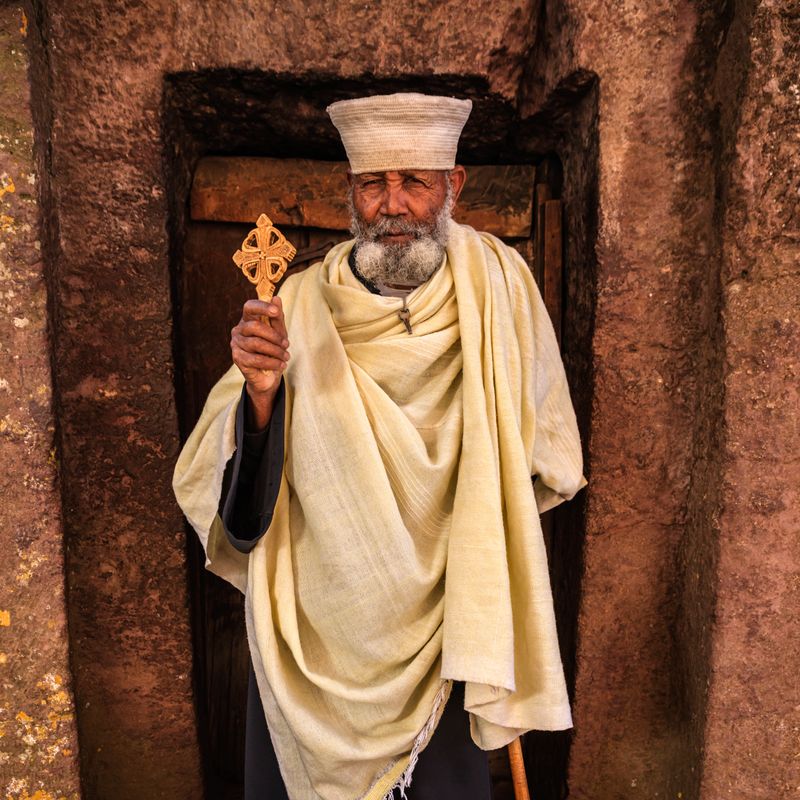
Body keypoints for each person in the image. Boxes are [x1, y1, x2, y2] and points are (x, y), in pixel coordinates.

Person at [173, 92, 587, 800]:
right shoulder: (296, 307)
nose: (392, 205)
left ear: (452, 187)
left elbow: (543, 464)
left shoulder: (500, 290)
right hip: (315, 635)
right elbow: (241, 524)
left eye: (414, 182)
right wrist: (263, 397)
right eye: (372, 184)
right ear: (350, 195)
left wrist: (484, 526)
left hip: (449, 633)